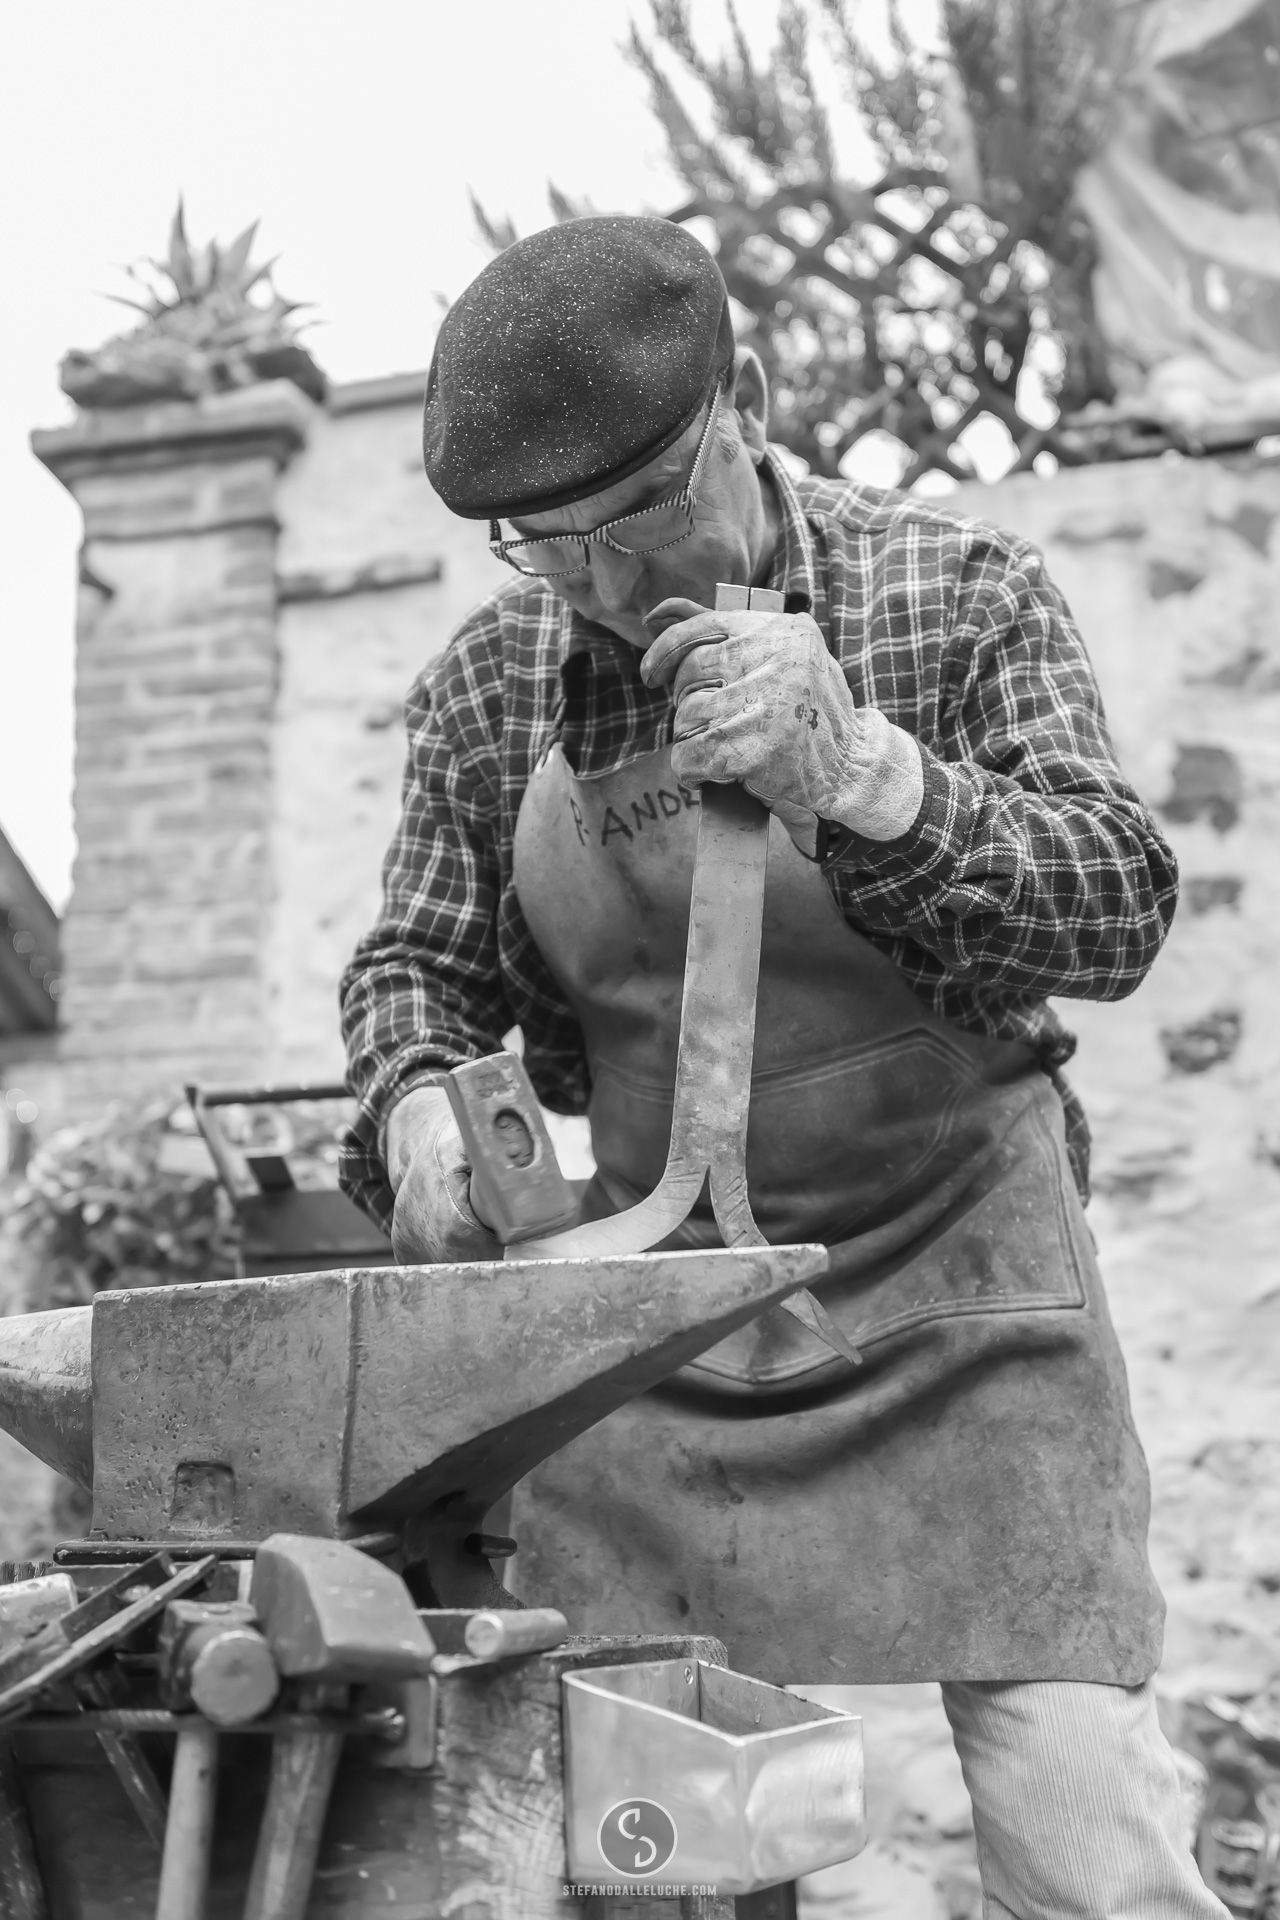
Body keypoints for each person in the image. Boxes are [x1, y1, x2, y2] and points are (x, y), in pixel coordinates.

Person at [340, 216, 1224, 1916]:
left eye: (637, 513)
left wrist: (871, 777)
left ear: (745, 401)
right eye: (547, 544)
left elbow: (1118, 904)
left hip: (967, 1291)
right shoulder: (489, 692)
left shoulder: (954, 595)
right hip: (660, 1329)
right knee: (656, 1849)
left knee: (1085, 1837)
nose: (605, 583)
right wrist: (418, 1102)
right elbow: (417, 972)